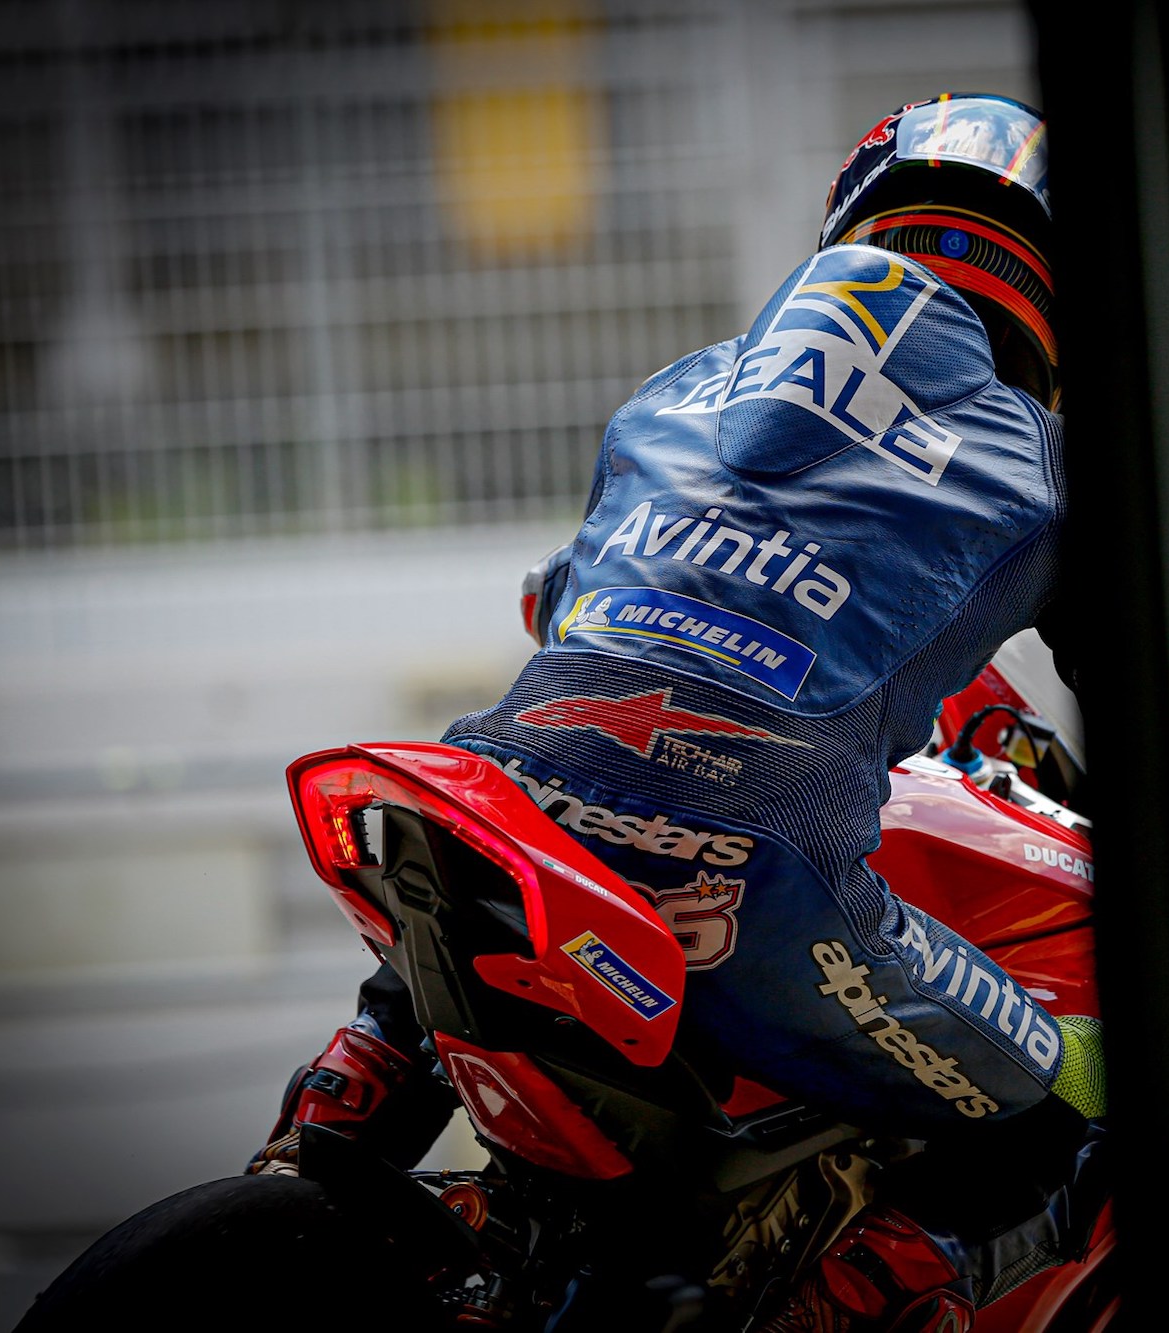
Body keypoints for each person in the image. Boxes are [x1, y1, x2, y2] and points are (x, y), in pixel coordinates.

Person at [250, 92, 1108, 1333]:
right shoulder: (1046, 463)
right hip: (761, 879)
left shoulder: (676, 391)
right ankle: (853, 1299)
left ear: (851, 223)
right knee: (1060, 1122)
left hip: (488, 785)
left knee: (453, 938)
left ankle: (330, 1113)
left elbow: (565, 603)